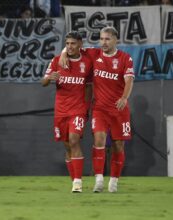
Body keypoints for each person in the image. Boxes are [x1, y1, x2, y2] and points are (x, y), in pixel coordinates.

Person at [59, 26, 135, 193]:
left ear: (115, 39)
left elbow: (129, 80)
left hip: (119, 109)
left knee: (118, 145)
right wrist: (64, 53)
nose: (103, 42)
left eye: (107, 39)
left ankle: (114, 181)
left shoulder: (125, 58)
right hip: (100, 108)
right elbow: (73, 47)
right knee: (99, 140)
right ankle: (99, 179)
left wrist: (124, 98)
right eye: (101, 39)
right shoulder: (94, 54)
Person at [41, 31, 93, 193]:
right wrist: (50, 78)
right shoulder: (57, 61)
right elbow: (43, 82)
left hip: (77, 109)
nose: (70, 47)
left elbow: (89, 86)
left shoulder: (87, 61)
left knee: (74, 140)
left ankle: (78, 182)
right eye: (67, 44)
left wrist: (86, 107)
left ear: (80, 45)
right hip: (61, 111)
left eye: (73, 44)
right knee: (67, 146)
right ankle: (74, 179)